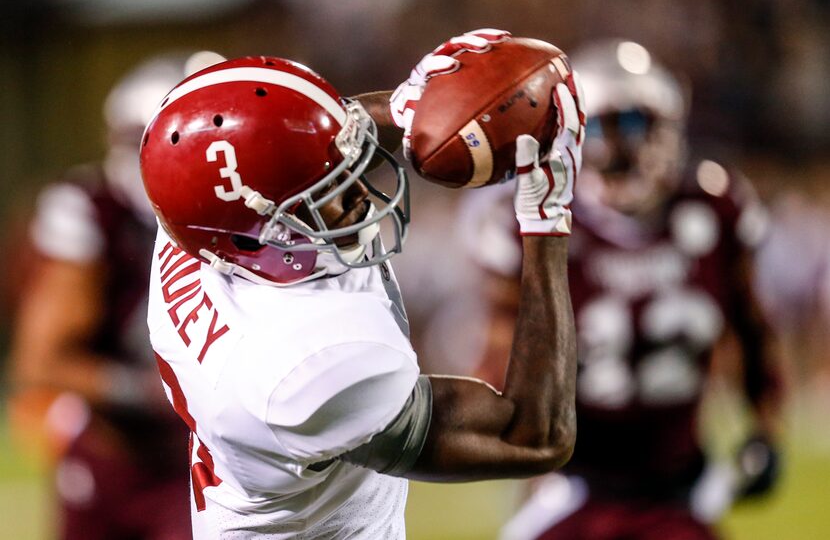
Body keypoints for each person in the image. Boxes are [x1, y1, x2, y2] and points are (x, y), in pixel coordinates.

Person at [138, 29, 583, 538]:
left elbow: (284, 147)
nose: (361, 197)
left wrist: (408, 107)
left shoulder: (196, 214)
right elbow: (532, 438)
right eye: (328, 193)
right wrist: (546, 218)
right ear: (258, 237)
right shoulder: (304, 371)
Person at [460, 40, 785, 540]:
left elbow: (754, 332)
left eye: (640, 122)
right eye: (613, 124)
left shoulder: (718, 210)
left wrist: (765, 428)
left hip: (682, 485)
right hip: (571, 484)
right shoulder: (535, 222)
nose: (628, 144)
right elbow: (502, 360)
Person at [9, 51, 223, 540]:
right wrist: (149, 391)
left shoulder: (251, 219)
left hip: (205, 459)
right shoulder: (97, 215)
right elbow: (39, 362)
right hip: (118, 453)